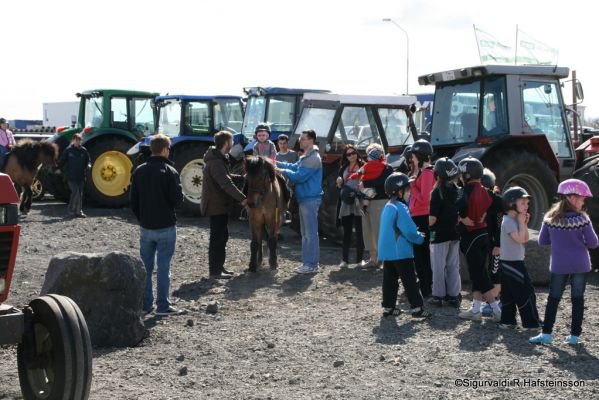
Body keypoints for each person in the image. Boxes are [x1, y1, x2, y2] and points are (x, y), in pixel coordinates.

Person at [530, 179, 599, 345]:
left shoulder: (550, 219)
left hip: (559, 264)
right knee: (577, 299)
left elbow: (542, 241)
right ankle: (575, 336)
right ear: (573, 198)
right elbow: (594, 243)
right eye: (582, 198)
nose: (583, 201)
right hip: (580, 264)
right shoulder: (583, 220)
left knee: (553, 298)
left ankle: (546, 334)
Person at [130, 134, 184, 316]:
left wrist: (142, 218)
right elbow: (178, 201)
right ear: (165, 150)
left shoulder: (139, 171)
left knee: (146, 268)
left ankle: (146, 304)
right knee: (163, 267)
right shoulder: (170, 172)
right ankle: (163, 306)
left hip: (146, 227)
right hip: (166, 226)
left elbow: (133, 202)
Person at [378, 172, 431, 318]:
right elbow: (409, 230)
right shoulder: (401, 207)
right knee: (410, 280)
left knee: (389, 280)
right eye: (407, 188)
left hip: (387, 252)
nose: (409, 192)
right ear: (399, 191)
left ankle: (388, 307)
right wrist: (420, 237)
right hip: (400, 251)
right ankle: (417, 308)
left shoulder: (388, 206)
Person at [456, 157, 502, 322]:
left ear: (466, 175)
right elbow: (500, 203)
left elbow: (459, 203)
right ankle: (475, 310)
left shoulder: (466, 190)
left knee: (480, 275)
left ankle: (497, 310)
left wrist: (462, 217)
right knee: (478, 273)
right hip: (484, 236)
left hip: (471, 237)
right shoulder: (486, 191)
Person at [201, 130, 248, 279]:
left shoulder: (219, 159)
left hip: (220, 205)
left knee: (222, 236)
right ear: (227, 143)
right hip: (216, 206)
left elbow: (225, 177)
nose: (233, 143)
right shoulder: (215, 162)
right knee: (217, 238)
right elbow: (225, 183)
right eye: (232, 141)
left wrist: (241, 178)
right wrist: (243, 199)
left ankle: (219, 268)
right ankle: (215, 271)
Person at [276, 129, 323, 274]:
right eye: (301, 139)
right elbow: (294, 167)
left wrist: (281, 171)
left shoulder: (313, 158)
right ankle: (308, 263)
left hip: (309, 199)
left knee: (310, 233)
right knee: (306, 233)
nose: (300, 141)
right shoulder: (306, 156)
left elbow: (298, 177)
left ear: (311, 140)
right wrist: (275, 163)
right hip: (305, 199)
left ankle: (311, 264)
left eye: (303, 139)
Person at [498, 187, 542, 330]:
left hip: (512, 261)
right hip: (512, 263)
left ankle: (508, 321)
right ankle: (530, 323)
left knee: (509, 293)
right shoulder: (509, 221)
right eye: (523, 203)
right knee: (525, 292)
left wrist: (523, 224)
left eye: (527, 203)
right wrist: (522, 224)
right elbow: (519, 239)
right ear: (511, 204)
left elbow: (525, 239)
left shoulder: (515, 219)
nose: (526, 206)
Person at [428, 157, 461, 307]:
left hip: (439, 234)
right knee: (453, 265)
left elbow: (433, 219)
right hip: (455, 233)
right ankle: (454, 295)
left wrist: (425, 227)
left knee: (438, 266)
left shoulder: (436, 192)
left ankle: (438, 295)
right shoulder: (457, 191)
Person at [357, 143, 393, 267]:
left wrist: (365, 183)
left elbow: (383, 182)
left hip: (380, 202)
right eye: (369, 154)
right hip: (367, 202)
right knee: (368, 231)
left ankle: (383, 260)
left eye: (372, 153)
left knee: (379, 231)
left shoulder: (387, 168)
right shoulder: (366, 167)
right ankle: (373, 259)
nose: (369, 157)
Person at [408, 139, 435, 298]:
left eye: (413, 156)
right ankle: (427, 288)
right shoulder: (426, 172)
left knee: (421, 256)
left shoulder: (426, 173)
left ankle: (426, 290)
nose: (412, 159)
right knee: (422, 254)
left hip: (421, 217)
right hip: (420, 216)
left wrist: (412, 187)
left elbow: (425, 198)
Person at [335, 144, 365, 268]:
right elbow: (339, 186)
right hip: (347, 202)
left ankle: (359, 260)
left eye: (353, 153)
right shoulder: (343, 168)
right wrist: (339, 182)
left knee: (360, 232)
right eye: (348, 154)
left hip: (358, 201)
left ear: (357, 153)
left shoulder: (363, 166)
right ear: (345, 156)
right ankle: (344, 260)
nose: (351, 156)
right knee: (346, 232)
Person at [480, 168, 503, 315]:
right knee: (487, 271)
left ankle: (495, 300)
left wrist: (499, 244)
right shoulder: (480, 201)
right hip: (485, 241)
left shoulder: (498, 202)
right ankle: (491, 300)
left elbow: (501, 224)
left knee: (495, 271)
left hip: (495, 243)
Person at [57, 133, 90, 218]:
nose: (77, 142)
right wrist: (57, 168)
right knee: (75, 191)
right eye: (75, 140)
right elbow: (62, 161)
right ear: (73, 140)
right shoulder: (68, 150)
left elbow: (88, 161)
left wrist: (89, 165)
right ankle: (71, 210)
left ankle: (79, 211)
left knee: (80, 193)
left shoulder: (84, 150)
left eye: (79, 140)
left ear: (80, 141)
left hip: (81, 176)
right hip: (70, 176)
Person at [348, 145, 386, 214]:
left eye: (368, 156)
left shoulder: (368, 165)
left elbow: (359, 172)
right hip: (372, 195)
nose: (367, 158)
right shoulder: (383, 165)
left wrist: (353, 177)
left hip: (379, 200)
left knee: (368, 194)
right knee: (369, 194)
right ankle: (364, 206)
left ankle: (359, 197)